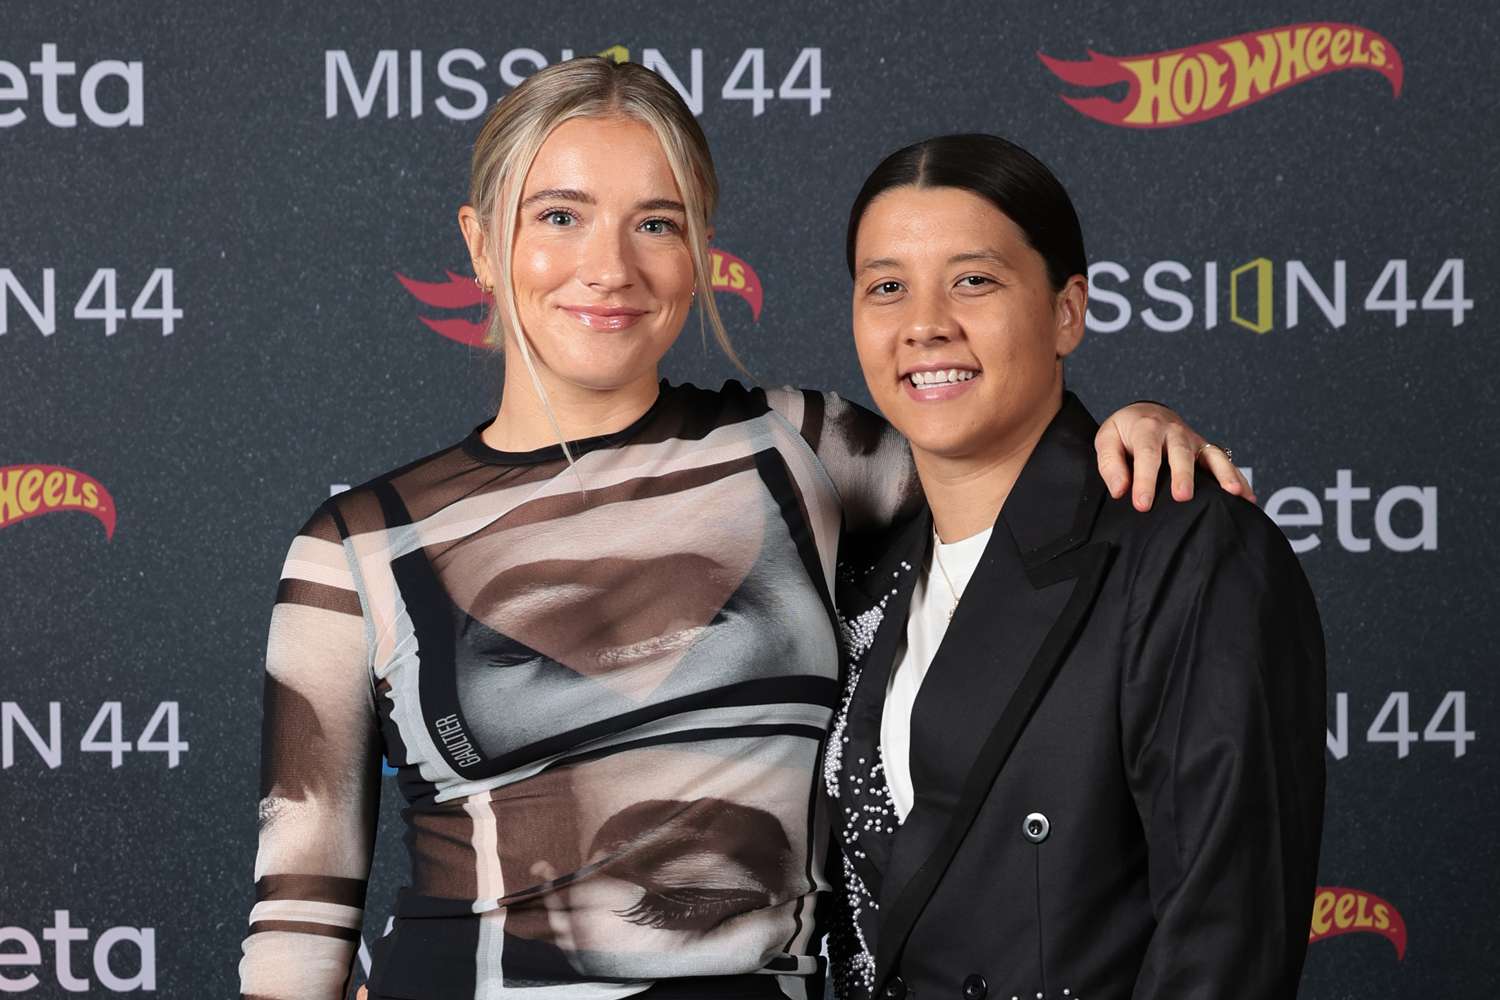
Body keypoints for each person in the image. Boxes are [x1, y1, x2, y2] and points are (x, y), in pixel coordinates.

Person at [237, 59, 1249, 1000]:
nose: (609, 267)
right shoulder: (358, 547)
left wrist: (1125, 426)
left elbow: (1009, 475)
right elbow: (299, 908)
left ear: (702, 250)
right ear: (479, 243)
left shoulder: (802, 448)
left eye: (657, 223)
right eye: (560, 215)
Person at [823, 133, 1325, 1000]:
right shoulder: (860, 568)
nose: (925, 322)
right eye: (887, 287)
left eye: (973, 279)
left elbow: (1225, 947)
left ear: (1067, 311)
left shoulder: (1186, 551)